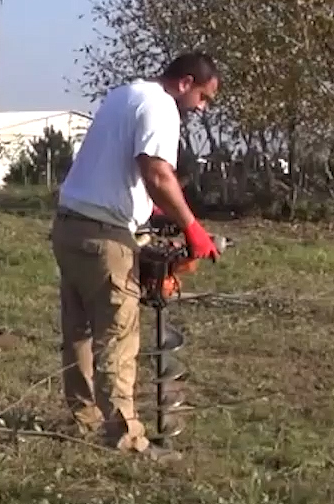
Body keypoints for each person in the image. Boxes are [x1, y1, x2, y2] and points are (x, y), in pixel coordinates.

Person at [51, 52, 222, 454]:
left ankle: (84, 420)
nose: (203, 107)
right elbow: (157, 173)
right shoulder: (162, 107)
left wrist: (153, 212)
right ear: (184, 83)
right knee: (118, 336)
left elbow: (119, 170)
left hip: (69, 224)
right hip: (104, 239)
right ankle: (128, 438)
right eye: (203, 96)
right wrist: (192, 228)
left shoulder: (125, 95)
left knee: (80, 331)